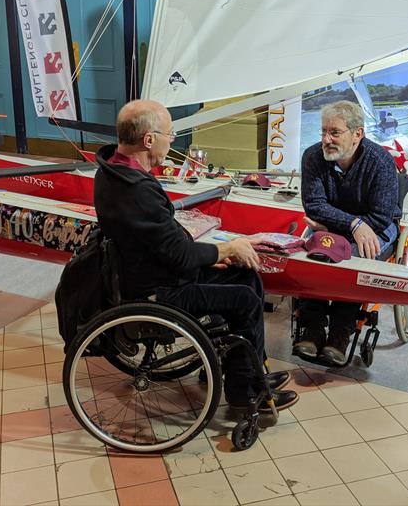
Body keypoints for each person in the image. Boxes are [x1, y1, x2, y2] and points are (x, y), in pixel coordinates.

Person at [94, 99, 299, 411]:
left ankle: (246, 371)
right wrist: (230, 246)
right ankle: (246, 393)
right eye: (170, 135)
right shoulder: (135, 188)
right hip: (158, 289)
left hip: (152, 270)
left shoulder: (112, 172)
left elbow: (163, 242)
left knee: (246, 277)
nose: (172, 142)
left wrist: (210, 256)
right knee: (243, 298)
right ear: (149, 139)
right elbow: (176, 252)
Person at [293, 101, 401, 365]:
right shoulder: (312, 157)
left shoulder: (381, 162)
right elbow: (315, 205)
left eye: (335, 132)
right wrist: (350, 224)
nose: (326, 139)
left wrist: (336, 226)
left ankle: (341, 331)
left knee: (352, 257)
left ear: (358, 134)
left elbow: (379, 217)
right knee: (317, 253)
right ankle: (313, 327)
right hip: (343, 225)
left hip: (376, 226)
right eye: (323, 132)